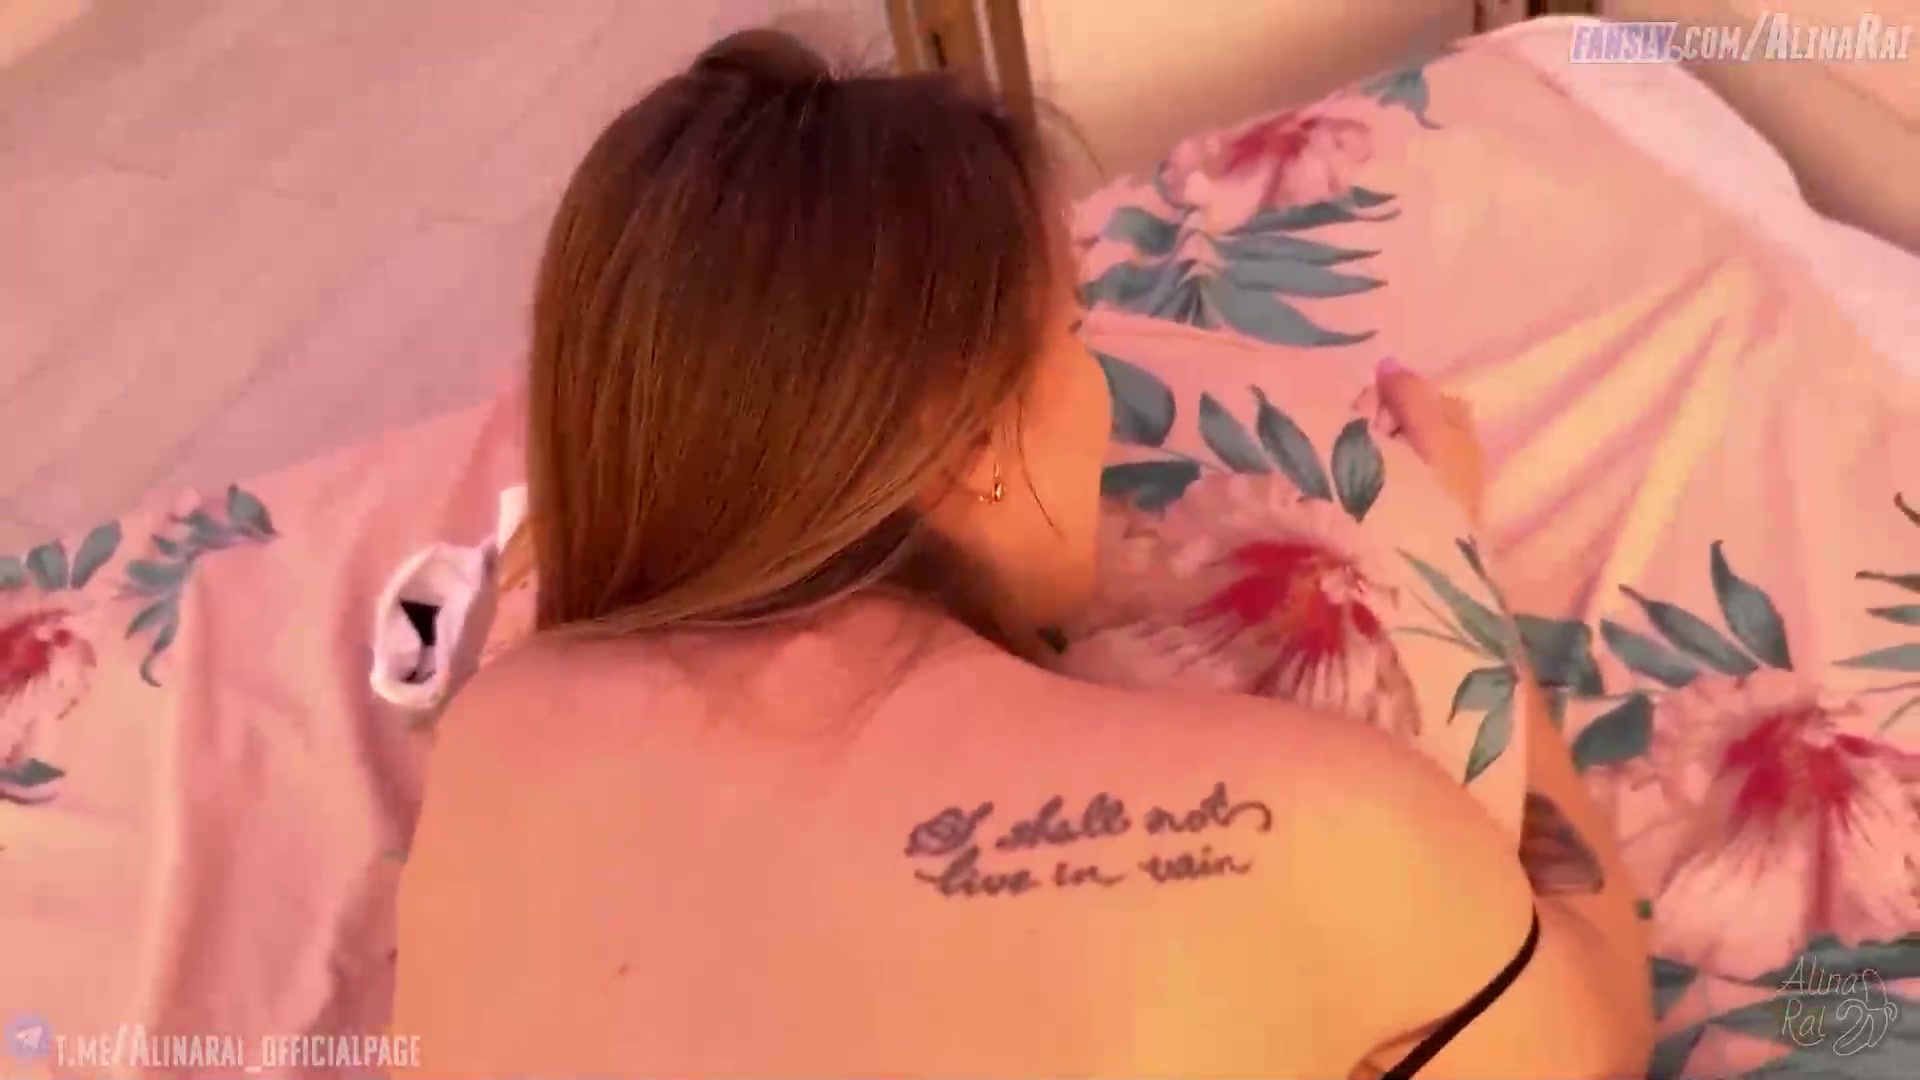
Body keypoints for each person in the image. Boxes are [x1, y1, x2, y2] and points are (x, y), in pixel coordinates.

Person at [392, 29, 1653, 1079]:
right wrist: (1463, 582)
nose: (1111, 395)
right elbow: (1593, 1033)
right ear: (970, 432)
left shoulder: (498, 733)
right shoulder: (1318, 827)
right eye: (1080, 331)